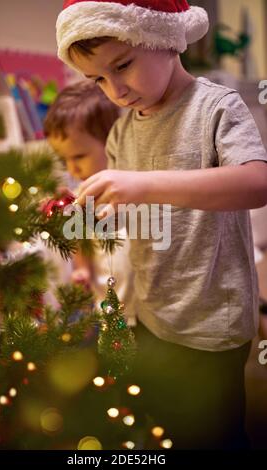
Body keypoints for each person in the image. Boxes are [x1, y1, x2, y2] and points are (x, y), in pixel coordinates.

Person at [55, 0, 267, 449]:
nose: (113, 89)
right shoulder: (120, 133)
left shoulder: (215, 106)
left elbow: (257, 183)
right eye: (98, 79)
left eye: (123, 65)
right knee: (165, 429)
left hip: (211, 323)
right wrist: (87, 215)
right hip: (151, 316)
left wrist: (143, 184)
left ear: (166, 38)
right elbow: (142, 218)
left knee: (212, 438)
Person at [44, 80, 135, 320]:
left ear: (112, 140)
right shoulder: (82, 194)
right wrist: (82, 268)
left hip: (145, 305)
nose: (72, 169)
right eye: (64, 160)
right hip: (106, 304)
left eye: (79, 156)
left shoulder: (135, 183)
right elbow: (80, 238)